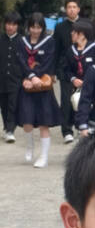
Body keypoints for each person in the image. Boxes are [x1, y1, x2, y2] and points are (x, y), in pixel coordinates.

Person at [15, 11, 62, 167]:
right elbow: (21, 61)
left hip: (43, 86)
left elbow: (49, 62)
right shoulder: (22, 42)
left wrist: (36, 77)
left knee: (44, 122)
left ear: (42, 27)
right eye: (33, 27)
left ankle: (44, 156)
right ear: (28, 27)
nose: (36, 30)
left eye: (39, 27)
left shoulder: (49, 42)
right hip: (27, 85)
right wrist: (29, 77)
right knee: (26, 122)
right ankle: (30, 146)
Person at [53, 0, 82, 142]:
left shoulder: (86, 25)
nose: (71, 9)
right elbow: (56, 50)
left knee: (80, 99)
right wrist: (53, 71)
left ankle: (80, 126)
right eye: (69, 7)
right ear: (66, 9)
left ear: (78, 9)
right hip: (64, 69)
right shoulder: (60, 27)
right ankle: (66, 130)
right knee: (65, 100)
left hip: (82, 68)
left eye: (74, 7)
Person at [0, 11, 22, 142]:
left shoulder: (22, 41)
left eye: (13, 24)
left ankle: (10, 129)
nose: (10, 27)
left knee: (13, 105)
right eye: (8, 24)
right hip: (1, 79)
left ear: (17, 26)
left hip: (16, 79)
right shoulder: (0, 40)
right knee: (4, 105)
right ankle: (6, 127)